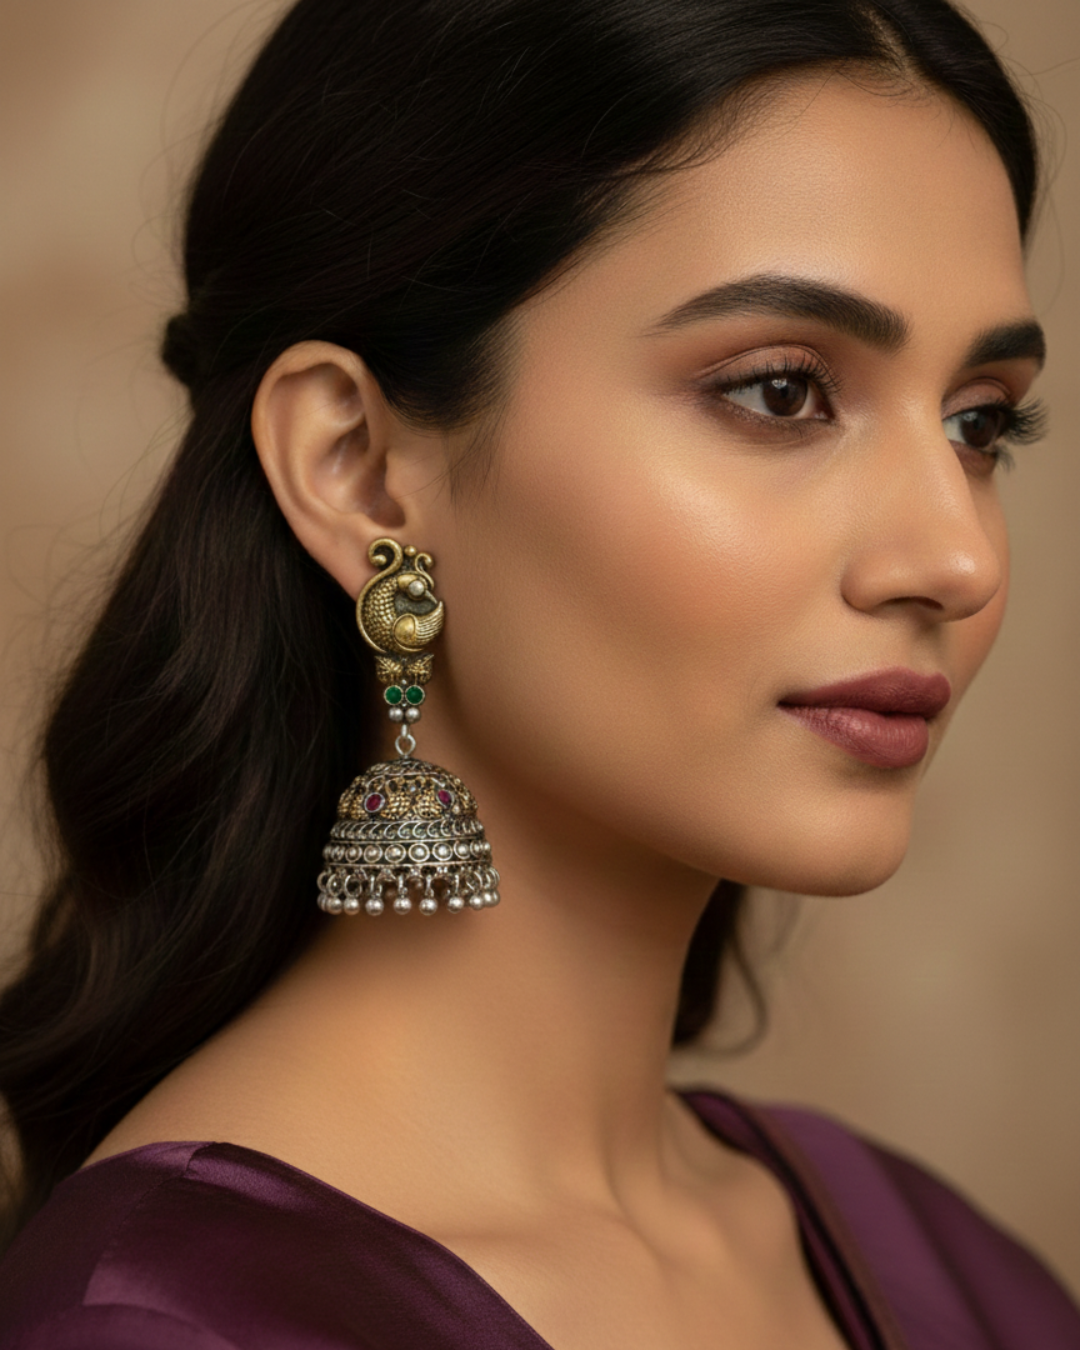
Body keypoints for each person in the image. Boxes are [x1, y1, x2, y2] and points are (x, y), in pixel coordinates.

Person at [0, 0, 1077, 1345]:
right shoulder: (170, 1321)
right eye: (780, 390)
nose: (957, 556)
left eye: (980, 423)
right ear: (357, 469)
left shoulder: (954, 1274)